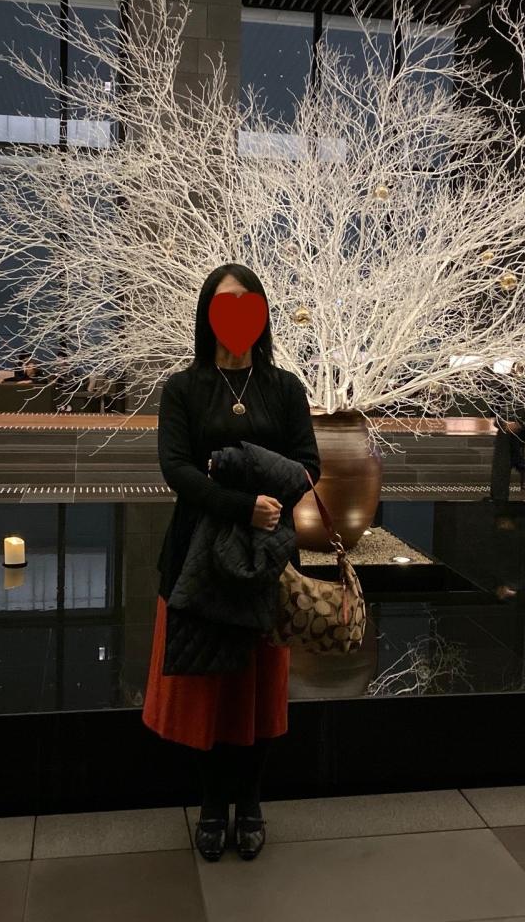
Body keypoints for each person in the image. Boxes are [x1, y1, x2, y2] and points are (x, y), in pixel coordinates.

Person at [143, 263, 320, 864]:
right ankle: (212, 804)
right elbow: (176, 468)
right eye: (224, 303)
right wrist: (243, 504)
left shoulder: (285, 388)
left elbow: (308, 465)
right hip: (195, 556)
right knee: (206, 690)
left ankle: (250, 801)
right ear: (206, 314)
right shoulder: (184, 387)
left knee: (259, 688)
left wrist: (240, 472)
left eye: (248, 303)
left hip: (265, 559)